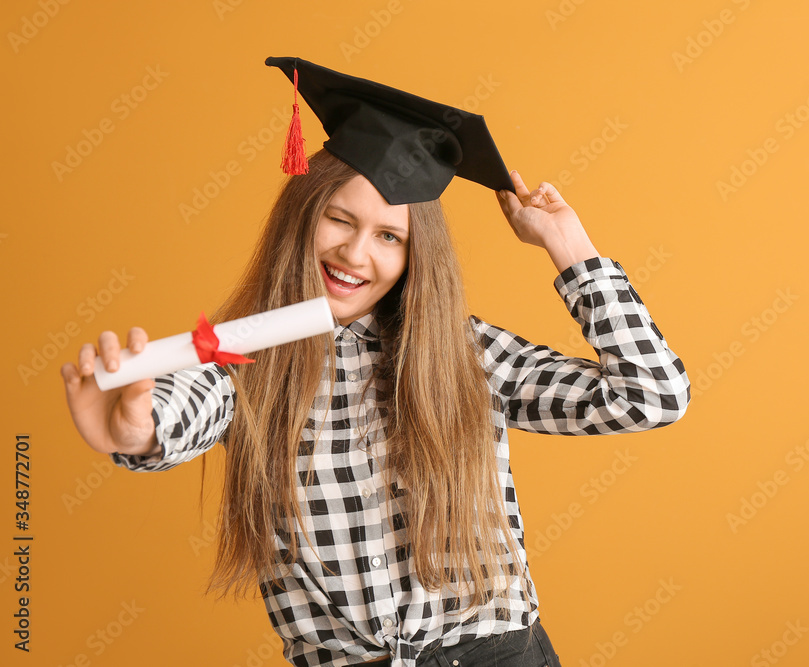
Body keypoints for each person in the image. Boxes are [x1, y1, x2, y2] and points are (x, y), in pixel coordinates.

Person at [60, 57, 691, 667]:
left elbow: (651, 395)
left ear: (418, 255)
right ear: (302, 217)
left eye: (390, 236)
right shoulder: (242, 354)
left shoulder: (463, 354)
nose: (356, 254)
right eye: (339, 219)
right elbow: (179, 407)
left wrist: (567, 244)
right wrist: (135, 429)